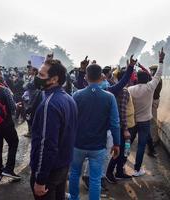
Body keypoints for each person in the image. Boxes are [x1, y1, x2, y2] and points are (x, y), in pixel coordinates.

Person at [69, 64, 120, 200]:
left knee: (74, 173)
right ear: (102, 77)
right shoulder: (109, 97)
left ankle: (74, 198)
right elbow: (115, 124)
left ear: (86, 77)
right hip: (98, 146)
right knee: (95, 178)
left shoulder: (77, 95)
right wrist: (117, 144)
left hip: (78, 144)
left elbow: (70, 121)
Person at [30, 59, 77, 200]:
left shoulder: (49, 105)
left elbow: (46, 145)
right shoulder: (69, 99)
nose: (37, 78)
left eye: (41, 75)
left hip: (50, 171)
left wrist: (40, 179)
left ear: (54, 79)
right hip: (62, 166)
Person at [128, 48, 165, 177]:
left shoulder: (130, 89)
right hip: (145, 122)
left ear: (137, 79)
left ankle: (120, 165)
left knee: (128, 143)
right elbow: (158, 74)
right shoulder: (150, 88)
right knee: (141, 146)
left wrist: (130, 66)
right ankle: (137, 170)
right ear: (147, 78)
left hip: (132, 121)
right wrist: (161, 61)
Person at [0, 68, 20, 180]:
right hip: (6, 123)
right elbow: (12, 107)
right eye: (1, 74)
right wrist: (17, 105)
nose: (3, 76)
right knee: (14, 142)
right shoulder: (4, 89)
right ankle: (9, 169)